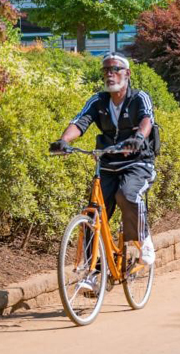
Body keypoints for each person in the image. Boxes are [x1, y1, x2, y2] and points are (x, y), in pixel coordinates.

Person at [50, 51, 157, 289]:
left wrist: (138, 138)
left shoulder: (139, 98)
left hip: (137, 162)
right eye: (106, 70)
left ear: (127, 74)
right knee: (93, 217)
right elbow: (80, 122)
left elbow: (146, 120)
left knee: (127, 194)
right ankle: (94, 273)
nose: (110, 74)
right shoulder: (97, 101)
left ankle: (143, 239)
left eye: (115, 69)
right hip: (107, 162)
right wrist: (64, 141)